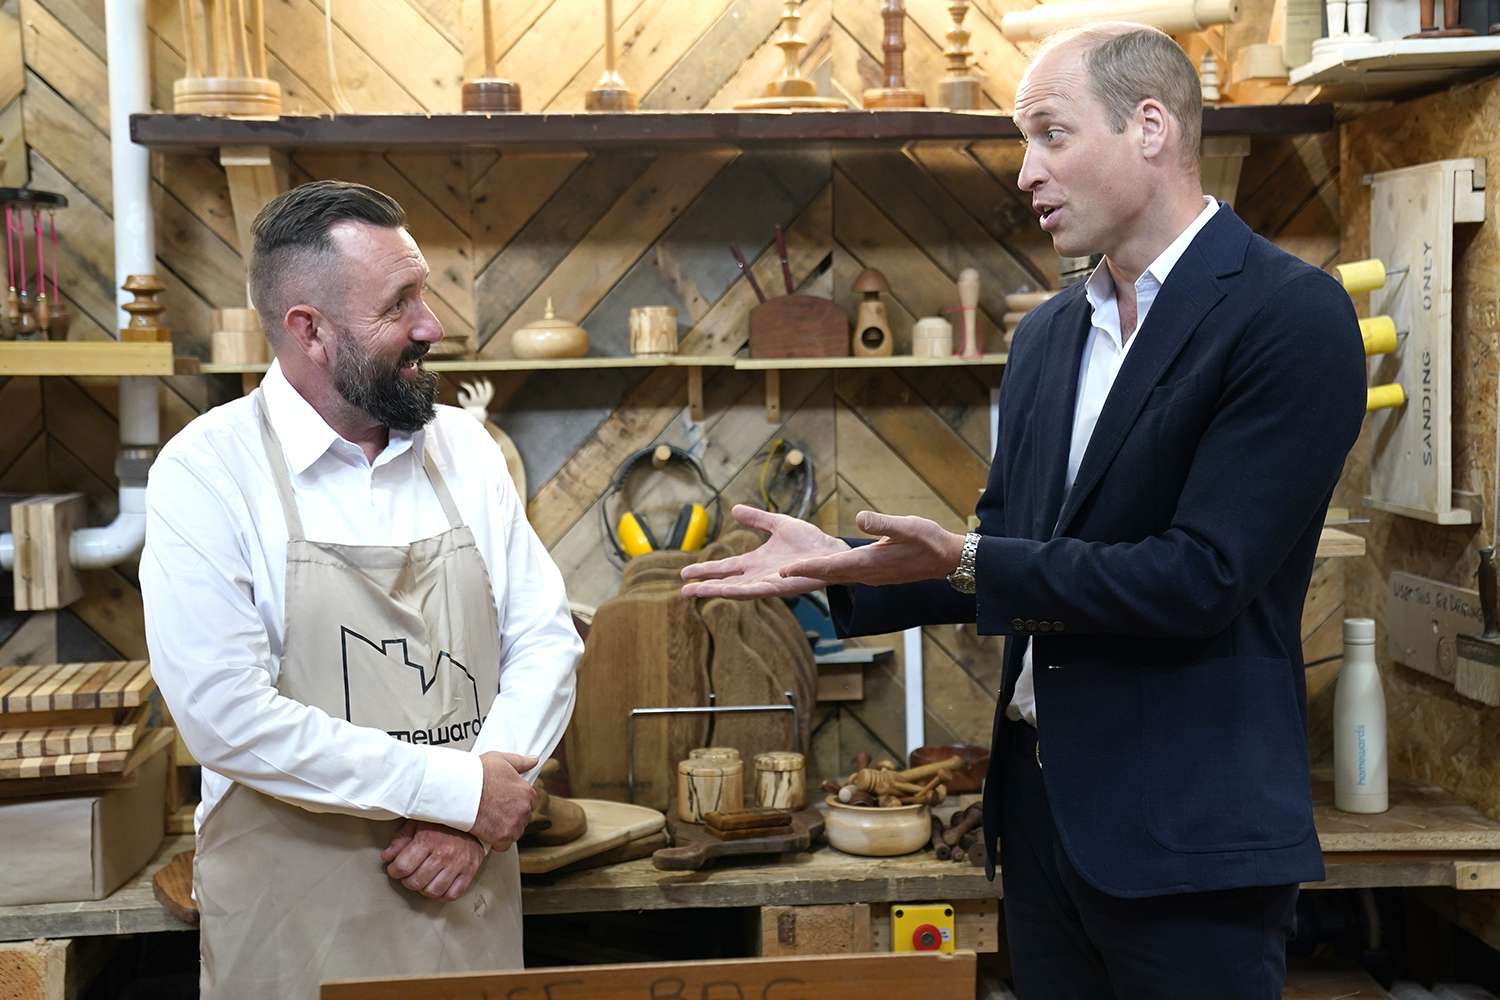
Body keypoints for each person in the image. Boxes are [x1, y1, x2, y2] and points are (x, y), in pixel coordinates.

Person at [681, 23, 1366, 999]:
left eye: (1050, 134)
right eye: (1022, 141)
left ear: (1151, 126)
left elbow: (1201, 577)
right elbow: (1007, 550)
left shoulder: (1289, 315)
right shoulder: (1048, 335)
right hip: (1042, 825)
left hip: (1188, 843)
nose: (1026, 173)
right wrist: (843, 567)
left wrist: (968, 558)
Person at [141, 180, 581, 999]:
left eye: (425, 290)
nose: (431, 325)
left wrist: (479, 817)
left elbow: (545, 638)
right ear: (308, 330)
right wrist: (455, 793)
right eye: (398, 303)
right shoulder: (207, 474)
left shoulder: (467, 451)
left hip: (465, 904)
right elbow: (224, 717)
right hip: (292, 932)